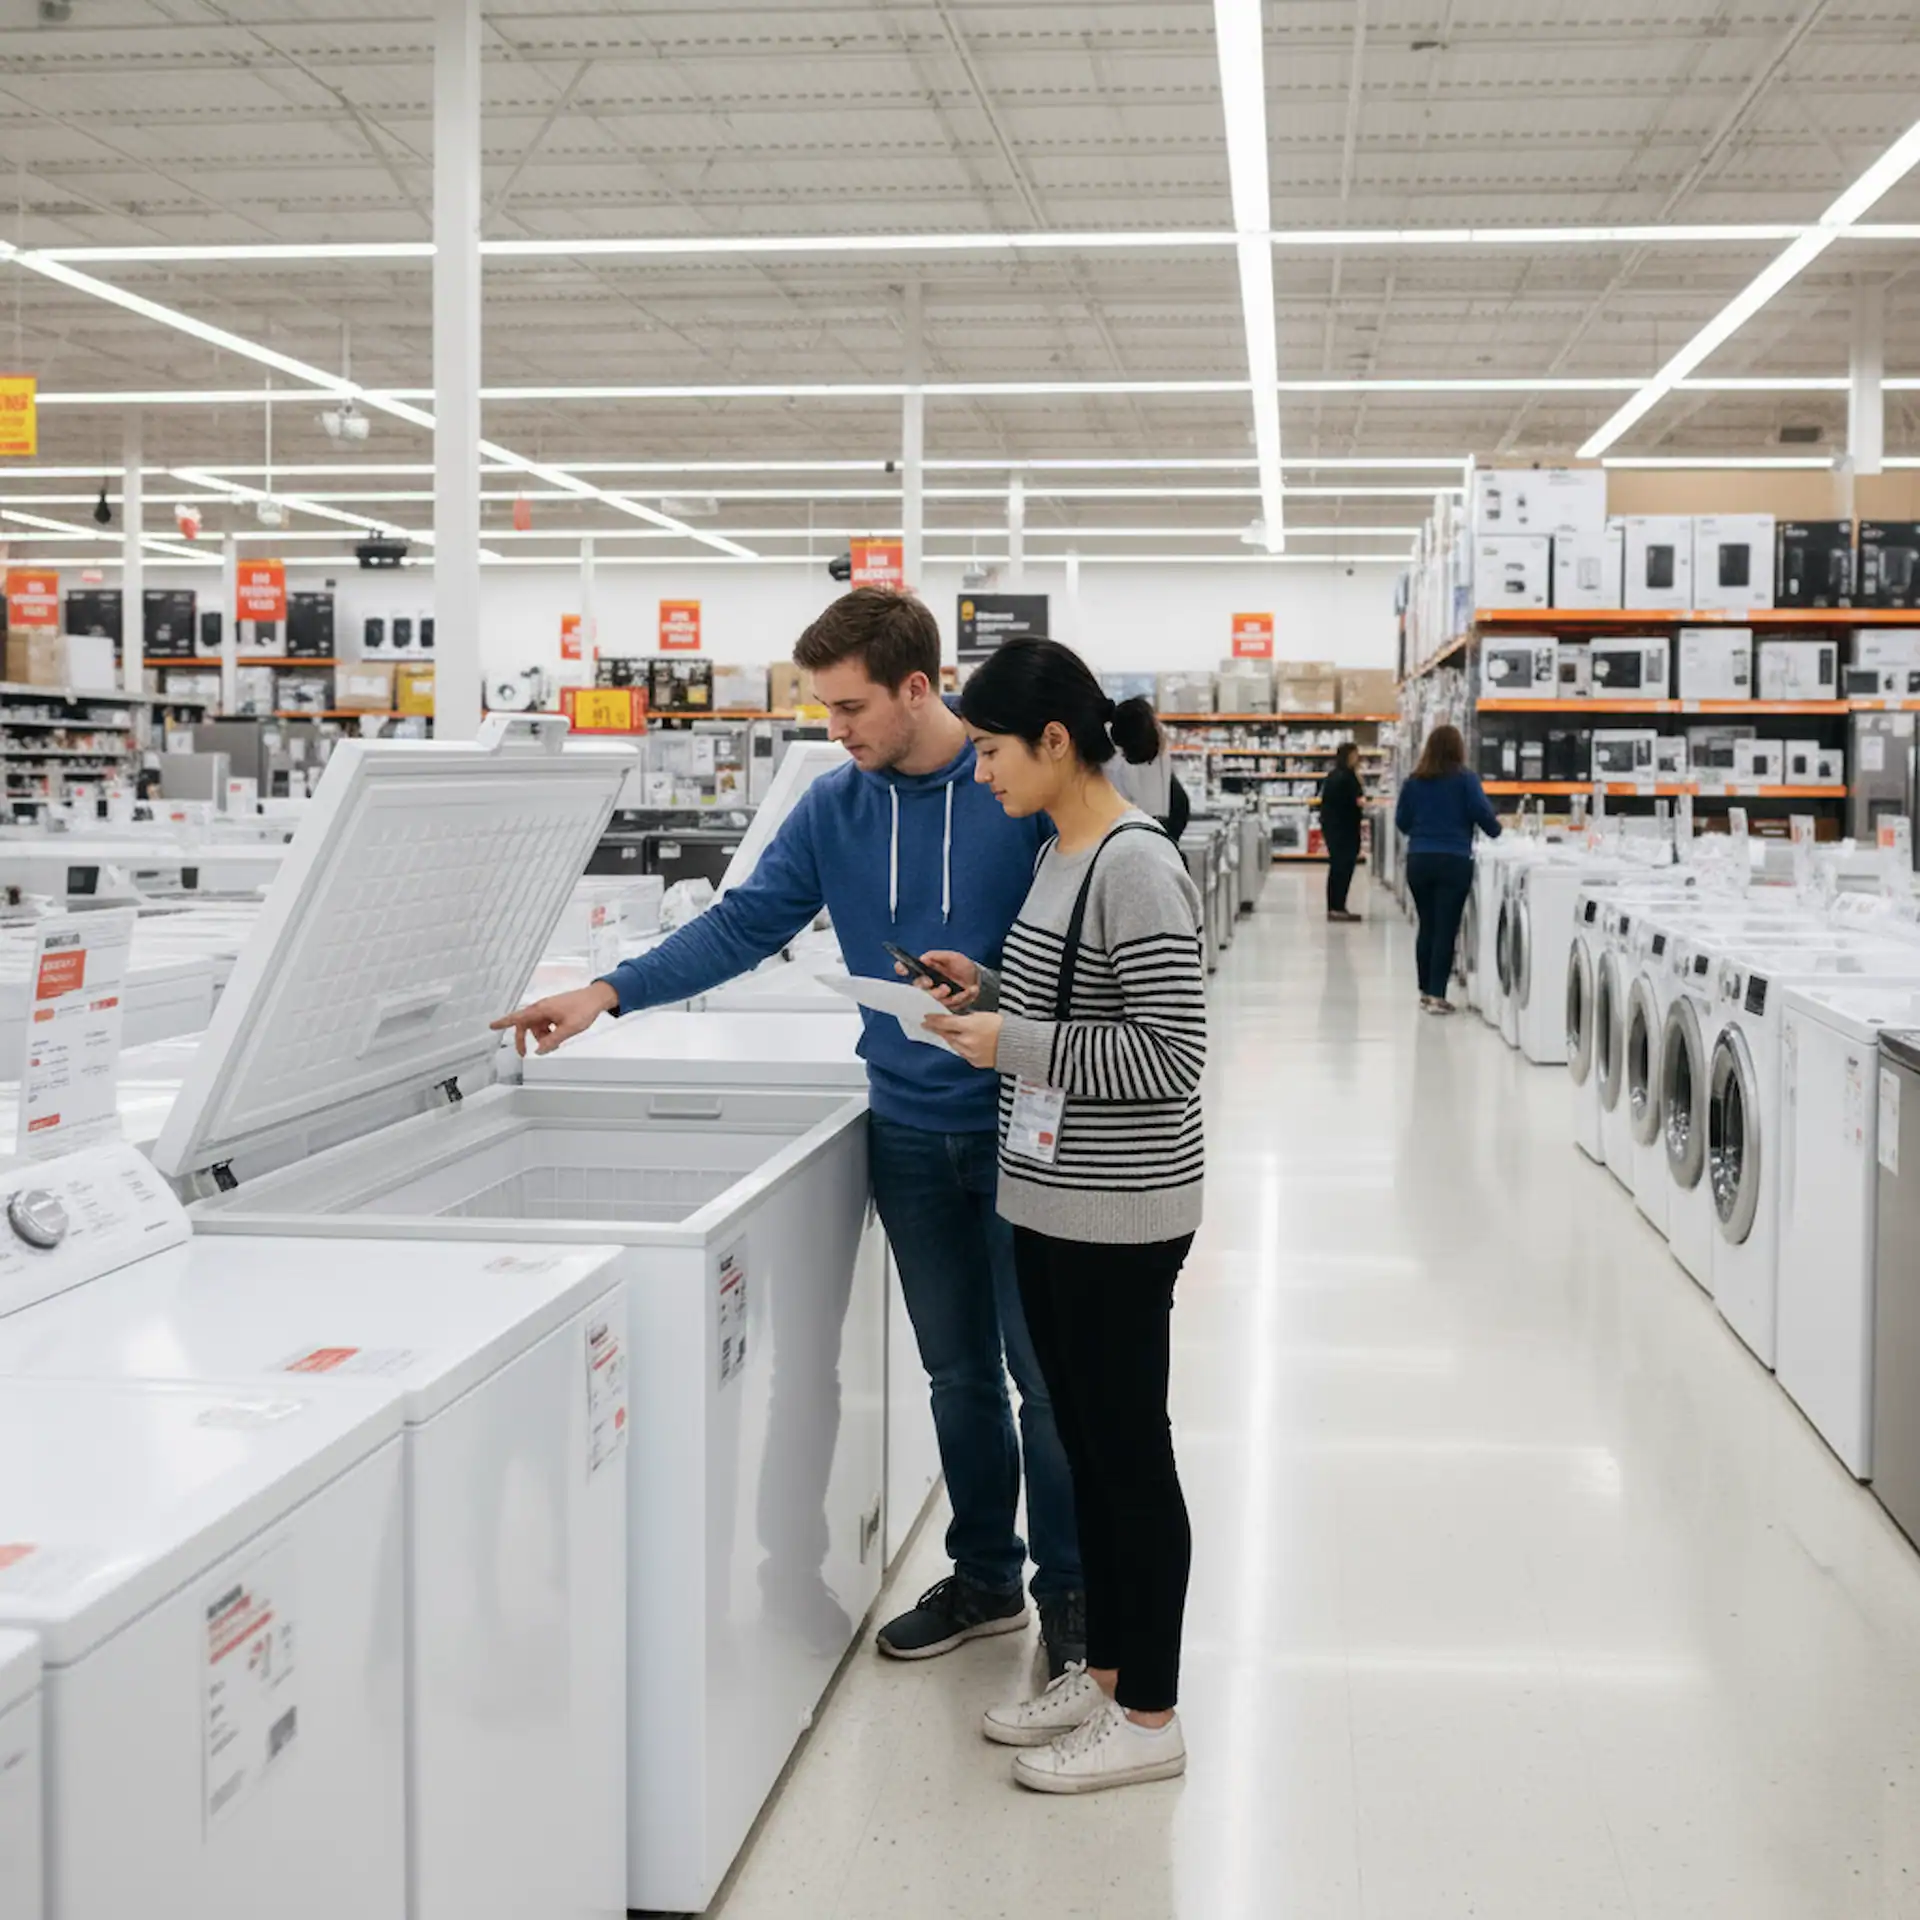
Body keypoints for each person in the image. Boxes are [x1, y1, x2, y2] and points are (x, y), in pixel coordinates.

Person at [492, 588, 1088, 1677]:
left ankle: (1076, 1601)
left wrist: (1003, 995)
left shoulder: (1020, 790)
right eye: (825, 708)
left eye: (852, 706)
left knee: (1044, 1379)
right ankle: (989, 1580)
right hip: (905, 1128)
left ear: (919, 688)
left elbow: (1086, 953)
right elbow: (742, 925)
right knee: (955, 1376)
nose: (836, 729)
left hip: (1025, 1125)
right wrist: (608, 993)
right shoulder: (835, 806)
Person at [905, 636, 1208, 1796]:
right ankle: (1107, 1670)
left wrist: (1011, 1042)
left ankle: (1153, 1715)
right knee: (1086, 1452)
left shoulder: (1133, 861)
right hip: (1047, 1195)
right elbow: (1071, 999)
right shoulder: (1061, 853)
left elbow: (1171, 1054)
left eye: (989, 750)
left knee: (1130, 1462)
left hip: (1120, 1212)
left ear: (1054, 742)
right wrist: (981, 994)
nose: (978, 771)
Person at [1394, 721, 1502, 1014]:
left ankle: (1424, 991)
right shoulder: (1465, 780)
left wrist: (1423, 831)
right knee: (1446, 928)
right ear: (1458, 749)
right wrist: (1496, 829)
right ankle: (1437, 995)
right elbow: (1484, 815)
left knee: (1426, 925)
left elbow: (1401, 821)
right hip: (1453, 860)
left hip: (1419, 860)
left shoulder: (1413, 781)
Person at [1318, 740, 1364, 922]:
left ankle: (1335, 906)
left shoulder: (1334, 775)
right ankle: (1338, 907)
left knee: (1337, 866)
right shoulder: (1347, 777)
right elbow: (1356, 799)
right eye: (1355, 754)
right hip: (1344, 829)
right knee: (1343, 867)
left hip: (1334, 828)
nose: (1357, 758)